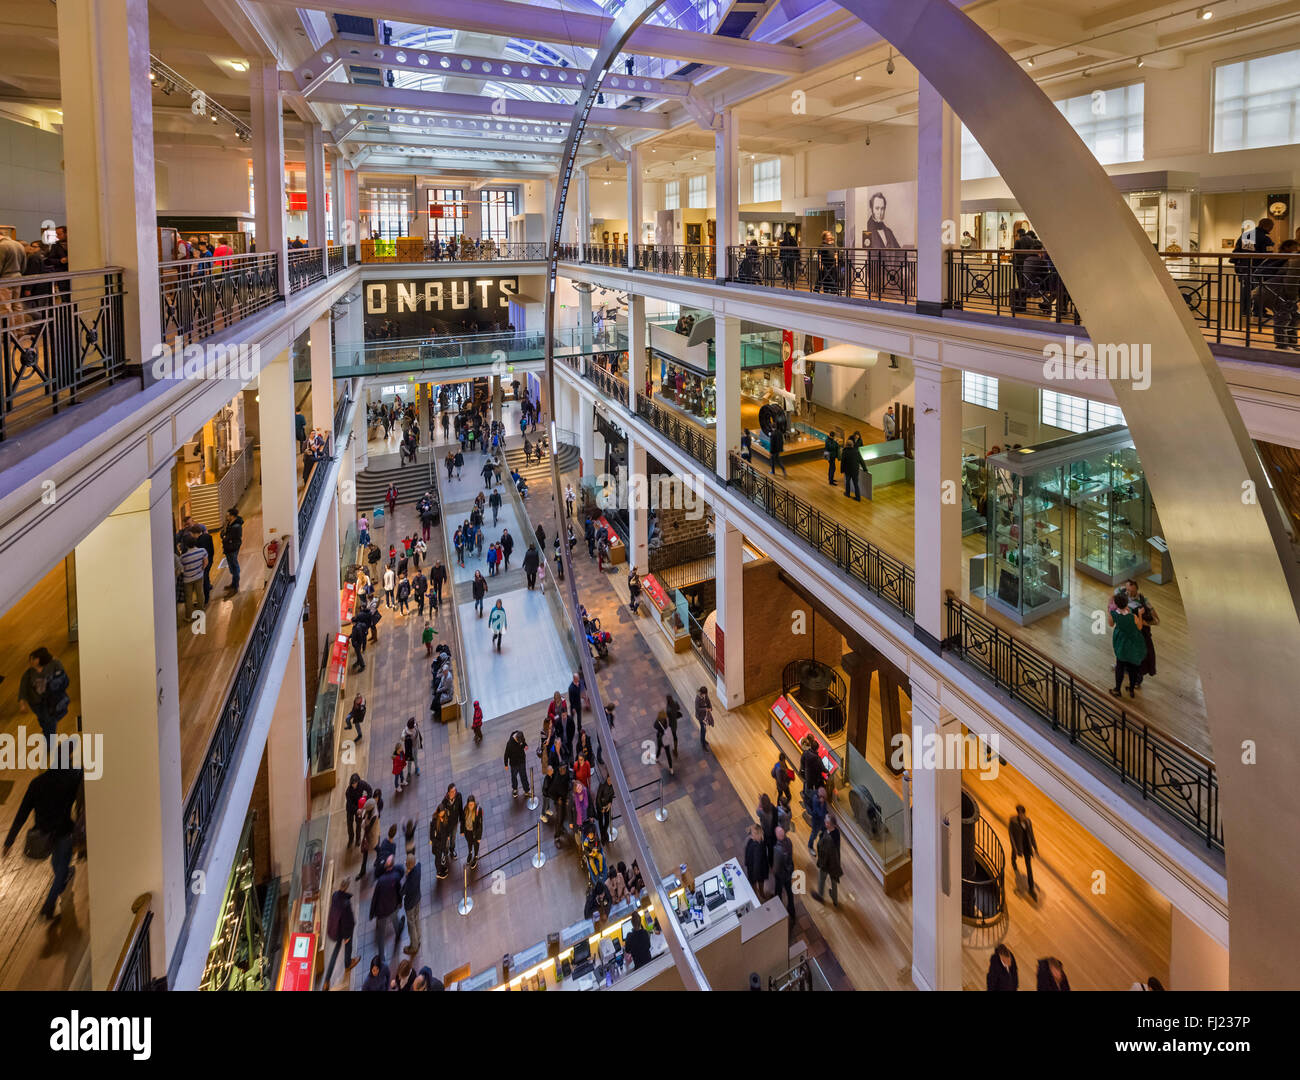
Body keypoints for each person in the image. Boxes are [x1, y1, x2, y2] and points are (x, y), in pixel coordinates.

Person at [3, 764, 82, 920]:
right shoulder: (70, 780)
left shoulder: (37, 783)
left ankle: (65, 875)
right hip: (63, 831)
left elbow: (22, 813)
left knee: (56, 862)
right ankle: (49, 904)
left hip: (45, 833)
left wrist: (9, 841)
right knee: (61, 867)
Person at [19, 647, 71, 744]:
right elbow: (23, 689)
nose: (31, 661)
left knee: (49, 721)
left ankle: (49, 742)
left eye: (33, 658)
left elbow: (63, 678)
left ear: (40, 658)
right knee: (43, 721)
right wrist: (22, 704)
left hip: (51, 700)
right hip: (36, 703)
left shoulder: (54, 664)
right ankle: (48, 735)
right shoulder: (29, 673)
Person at [1108, 591, 1147, 698]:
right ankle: (1131, 689)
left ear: (1116, 604)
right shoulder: (1132, 616)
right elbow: (1139, 627)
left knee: (1120, 666)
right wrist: (1140, 614)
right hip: (1134, 643)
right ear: (1126, 603)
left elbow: (1110, 624)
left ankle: (1117, 689)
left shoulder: (1114, 614)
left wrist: (1109, 610)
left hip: (1121, 643)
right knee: (1133, 667)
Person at [322, 883, 360, 989]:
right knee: (348, 946)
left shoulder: (335, 896)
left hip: (335, 929)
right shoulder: (346, 903)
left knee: (335, 953)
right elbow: (348, 921)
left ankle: (326, 981)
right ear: (346, 887)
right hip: (344, 930)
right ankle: (348, 964)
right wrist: (347, 937)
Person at [369, 857, 405, 963]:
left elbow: (375, 898)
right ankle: (398, 933)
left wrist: (372, 913)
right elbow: (400, 891)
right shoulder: (396, 877)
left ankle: (381, 957)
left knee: (381, 934)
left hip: (382, 911)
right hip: (393, 907)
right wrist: (399, 902)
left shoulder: (381, 881)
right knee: (395, 921)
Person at [1008, 803, 1039, 900]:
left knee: (1029, 867)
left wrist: (1035, 847)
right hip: (1018, 845)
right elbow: (1011, 835)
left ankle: (1031, 888)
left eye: (1023, 814)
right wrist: (1014, 847)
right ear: (1018, 814)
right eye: (1020, 814)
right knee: (1014, 854)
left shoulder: (1028, 821)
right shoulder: (1013, 821)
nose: (1022, 816)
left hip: (1027, 847)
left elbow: (1031, 835)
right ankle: (1013, 861)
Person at [811, 811, 842, 906]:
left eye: (826, 821)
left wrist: (821, 863)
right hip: (835, 863)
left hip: (826, 864)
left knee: (821, 879)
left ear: (829, 824)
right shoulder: (836, 832)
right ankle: (835, 901)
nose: (824, 822)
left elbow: (825, 853)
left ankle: (820, 896)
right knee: (834, 883)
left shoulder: (828, 839)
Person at [772, 825, 795, 920]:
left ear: (778, 836)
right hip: (789, 871)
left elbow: (777, 867)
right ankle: (791, 909)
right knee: (789, 891)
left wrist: (774, 871)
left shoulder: (777, 849)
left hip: (781, 875)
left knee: (778, 891)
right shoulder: (789, 841)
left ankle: (779, 909)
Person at [401, 856, 422, 956]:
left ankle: (414, 946)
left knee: (411, 924)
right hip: (418, 898)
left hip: (410, 904)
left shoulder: (409, 880)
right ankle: (418, 938)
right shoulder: (418, 868)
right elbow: (418, 863)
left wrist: (406, 875)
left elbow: (402, 891)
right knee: (417, 919)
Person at [344, 772, 371, 847]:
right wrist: (357, 809)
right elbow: (349, 803)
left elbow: (370, 790)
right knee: (349, 825)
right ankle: (351, 839)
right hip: (351, 809)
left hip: (359, 808)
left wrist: (365, 803)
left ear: (358, 781)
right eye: (352, 784)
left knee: (358, 824)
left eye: (355, 783)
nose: (353, 785)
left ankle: (358, 839)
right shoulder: (348, 791)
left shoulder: (362, 784)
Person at [439, 784, 465, 861]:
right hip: (446, 825)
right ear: (448, 793)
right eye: (452, 791)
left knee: (453, 838)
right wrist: (446, 833)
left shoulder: (459, 796)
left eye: (455, 791)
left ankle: (452, 850)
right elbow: (442, 818)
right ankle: (445, 853)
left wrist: (462, 826)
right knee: (446, 841)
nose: (454, 793)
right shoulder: (444, 802)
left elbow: (461, 810)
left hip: (454, 823)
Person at [221, 507, 244, 593]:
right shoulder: (229, 523)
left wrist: (225, 537)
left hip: (232, 548)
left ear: (232, 516)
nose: (226, 517)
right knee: (232, 566)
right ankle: (233, 584)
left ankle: (235, 586)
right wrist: (224, 535)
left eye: (228, 516)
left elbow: (227, 537)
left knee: (234, 566)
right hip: (229, 547)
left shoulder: (236, 526)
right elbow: (223, 534)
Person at [744, 823, 769, 899]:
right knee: (755, 883)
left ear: (758, 834)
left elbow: (757, 863)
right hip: (753, 867)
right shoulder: (752, 841)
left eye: (752, 834)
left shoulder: (759, 845)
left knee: (758, 882)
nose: (750, 835)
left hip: (759, 869)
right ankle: (758, 894)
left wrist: (755, 875)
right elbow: (747, 852)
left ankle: (760, 894)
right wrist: (747, 862)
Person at [504, 729, 530, 798]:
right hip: (514, 764)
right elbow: (506, 754)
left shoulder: (520, 735)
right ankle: (515, 789)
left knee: (524, 776)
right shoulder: (509, 744)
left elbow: (523, 741)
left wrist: (525, 745)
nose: (520, 743)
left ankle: (526, 790)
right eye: (519, 742)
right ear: (516, 739)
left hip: (521, 761)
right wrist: (506, 764)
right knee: (514, 777)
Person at [462, 796, 483, 867]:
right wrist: (462, 830)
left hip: (475, 832)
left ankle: (475, 856)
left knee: (476, 844)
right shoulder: (465, 809)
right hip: (467, 831)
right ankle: (470, 853)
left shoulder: (478, 810)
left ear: (474, 804)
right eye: (469, 804)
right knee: (469, 842)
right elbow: (463, 820)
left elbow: (480, 824)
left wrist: (479, 837)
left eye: (472, 804)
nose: (471, 806)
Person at [807, 786, 828, 854]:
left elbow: (824, 811)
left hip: (822, 820)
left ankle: (821, 843)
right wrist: (822, 804)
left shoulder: (822, 800)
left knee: (825, 831)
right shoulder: (816, 800)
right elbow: (820, 813)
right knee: (814, 834)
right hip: (816, 821)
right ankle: (810, 846)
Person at [840, 436, 862, 501]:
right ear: (852, 445)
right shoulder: (856, 451)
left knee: (848, 482)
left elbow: (843, 462)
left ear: (846, 445)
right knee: (856, 484)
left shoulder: (845, 452)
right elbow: (861, 460)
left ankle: (847, 494)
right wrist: (865, 469)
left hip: (848, 470)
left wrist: (842, 470)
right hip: (855, 470)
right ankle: (858, 497)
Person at [654, 710, 674, 776]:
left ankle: (656, 758)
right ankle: (671, 768)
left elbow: (654, 726)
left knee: (659, 749)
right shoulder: (664, 721)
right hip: (665, 739)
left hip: (660, 738)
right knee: (668, 754)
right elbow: (666, 728)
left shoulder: (657, 722)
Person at [694, 685, 713, 753]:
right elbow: (697, 709)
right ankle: (703, 744)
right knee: (703, 730)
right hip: (700, 716)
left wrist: (710, 707)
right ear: (702, 693)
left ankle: (703, 740)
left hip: (705, 715)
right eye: (705, 694)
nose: (706, 695)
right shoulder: (697, 699)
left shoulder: (705, 695)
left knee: (704, 729)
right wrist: (705, 709)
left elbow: (708, 701)